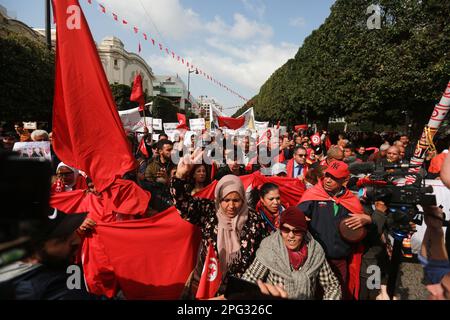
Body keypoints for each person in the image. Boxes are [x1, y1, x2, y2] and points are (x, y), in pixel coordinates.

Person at [171, 150, 269, 298]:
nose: (231, 206)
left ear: (243, 199)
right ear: (218, 200)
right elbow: (182, 203)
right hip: (208, 284)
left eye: (236, 201)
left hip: (239, 291)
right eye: (226, 200)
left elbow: (264, 253)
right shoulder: (209, 210)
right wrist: (180, 176)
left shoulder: (255, 220)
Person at [297, 160, 373, 299]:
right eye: (327, 176)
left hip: (340, 261)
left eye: (334, 178)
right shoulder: (312, 195)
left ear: (345, 180)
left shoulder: (352, 200)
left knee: (337, 294)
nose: (328, 180)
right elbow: (295, 218)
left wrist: (368, 219)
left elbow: (363, 231)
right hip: (314, 260)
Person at [241, 206, 341, 300]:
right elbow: (250, 279)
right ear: (280, 230)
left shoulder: (315, 252)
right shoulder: (270, 248)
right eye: (286, 230)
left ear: (304, 232)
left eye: (297, 231)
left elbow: (331, 285)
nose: (291, 236)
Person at [0, 211, 99, 300]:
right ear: (38, 246)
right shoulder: (33, 288)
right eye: (62, 239)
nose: (77, 241)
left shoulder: (68, 272)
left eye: (73, 230)